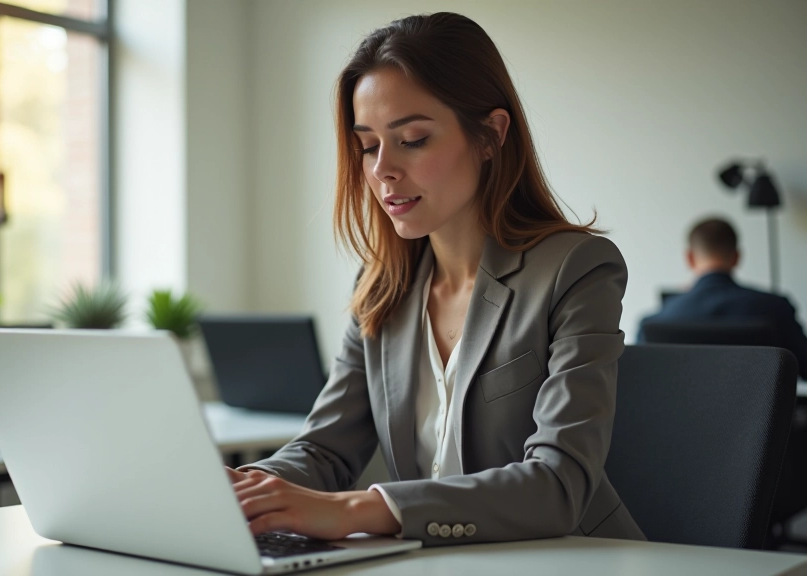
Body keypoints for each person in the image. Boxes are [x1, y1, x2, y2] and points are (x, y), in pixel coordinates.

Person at [225, 12, 645, 546]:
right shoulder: (382, 286)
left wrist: (355, 509)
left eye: (413, 139)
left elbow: (557, 484)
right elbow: (325, 450)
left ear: (490, 135)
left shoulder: (575, 268)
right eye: (369, 145)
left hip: (572, 559)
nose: (382, 171)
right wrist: (244, 489)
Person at [639, 217, 807, 379]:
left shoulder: (657, 320)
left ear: (690, 258)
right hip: (760, 408)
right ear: (736, 257)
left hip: (676, 409)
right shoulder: (776, 308)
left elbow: (640, 379)